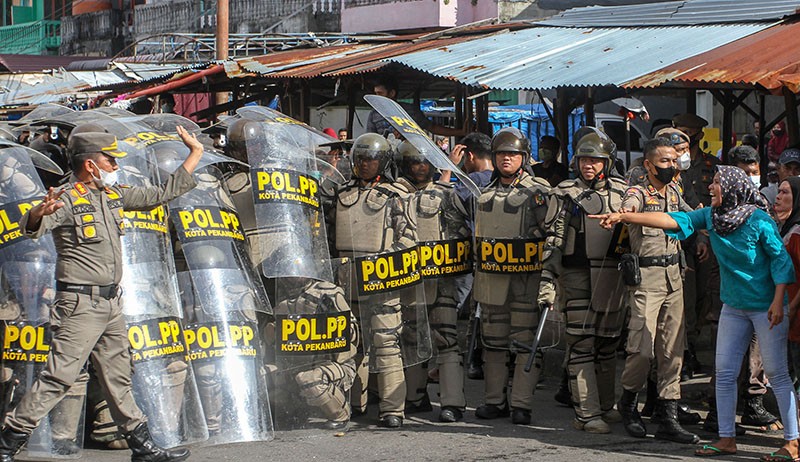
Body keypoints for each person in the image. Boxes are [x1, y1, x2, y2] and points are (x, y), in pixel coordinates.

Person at [0, 127, 203, 462]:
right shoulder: (66, 198)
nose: (115, 166)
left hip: (110, 303)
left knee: (119, 377)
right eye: (110, 160)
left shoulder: (112, 195)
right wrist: (37, 213)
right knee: (59, 377)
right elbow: (34, 226)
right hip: (79, 305)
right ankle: (9, 441)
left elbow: (159, 194)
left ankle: (142, 446)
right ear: (91, 165)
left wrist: (194, 153)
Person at [591, 165, 798, 462]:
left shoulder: (758, 220)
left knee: (777, 373)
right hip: (734, 306)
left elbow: (780, 262)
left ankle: (792, 443)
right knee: (724, 373)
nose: (710, 187)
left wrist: (778, 302)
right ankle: (726, 438)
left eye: (716, 182)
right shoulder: (712, 216)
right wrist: (625, 217)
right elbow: (672, 219)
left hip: (767, 307)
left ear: (732, 189)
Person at [537, 126, 628, 434]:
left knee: (608, 345)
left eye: (595, 160)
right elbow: (553, 239)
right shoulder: (564, 193)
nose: (588, 165)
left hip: (612, 276)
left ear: (607, 162)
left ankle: (606, 406)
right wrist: (548, 282)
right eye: (584, 160)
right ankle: (586, 414)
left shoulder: (623, 193)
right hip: (576, 276)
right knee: (581, 345)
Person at [331, 133, 418, 429]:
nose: (365, 164)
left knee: (386, 343)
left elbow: (409, 238)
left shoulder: (396, 195)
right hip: (346, 280)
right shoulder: (340, 192)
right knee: (349, 343)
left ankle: (393, 409)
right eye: (361, 159)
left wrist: (383, 260)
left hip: (382, 280)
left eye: (371, 159)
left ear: (383, 162)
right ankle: (352, 403)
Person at [615, 138, 698, 444]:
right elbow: (629, 206)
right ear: (649, 165)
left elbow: (693, 217)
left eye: (674, 161)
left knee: (672, 350)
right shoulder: (638, 192)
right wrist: (624, 212)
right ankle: (628, 403)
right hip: (646, 281)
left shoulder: (675, 191)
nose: (671, 167)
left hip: (674, 278)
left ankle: (668, 416)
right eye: (665, 162)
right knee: (641, 349)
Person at [472, 127, 550, 425]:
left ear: (524, 158)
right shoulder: (483, 192)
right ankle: (495, 401)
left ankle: (521, 404)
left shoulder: (538, 191)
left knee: (525, 342)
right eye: (502, 154)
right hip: (491, 282)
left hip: (525, 281)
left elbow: (552, 235)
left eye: (513, 154)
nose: (506, 158)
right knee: (493, 343)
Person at [395, 141, 470, 422]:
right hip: (407, 280)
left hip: (441, 279)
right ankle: (414, 397)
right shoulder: (393, 195)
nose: (420, 167)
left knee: (447, 339)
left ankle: (452, 402)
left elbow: (460, 233)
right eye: (414, 162)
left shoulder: (445, 195)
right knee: (411, 338)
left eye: (425, 162)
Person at [440, 132, 494, 381]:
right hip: (498, 258)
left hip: (470, 256)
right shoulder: (503, 180)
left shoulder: (469, 182)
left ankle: (457, 359)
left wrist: (448, 169)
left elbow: (441, 202)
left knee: (457, 308)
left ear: (468, 156)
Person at [365, 76, 464, 138]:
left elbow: (431, 127)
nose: (377, 97)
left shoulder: (410, 110)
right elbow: (371, 138)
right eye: (375, 93)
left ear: (392, 93)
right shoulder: (374, 114)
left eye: (380, 93)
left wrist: (461, 132)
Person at [775, 177, 800, 393]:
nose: (778, 197)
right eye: (779, 191)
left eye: (785, 192)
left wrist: (792, 307)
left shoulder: (797, 234)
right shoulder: (783, 228)